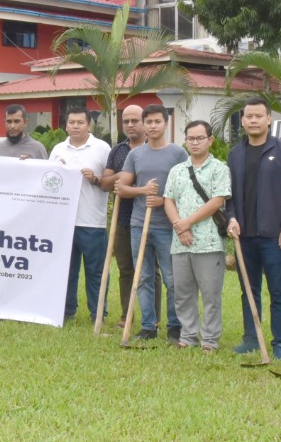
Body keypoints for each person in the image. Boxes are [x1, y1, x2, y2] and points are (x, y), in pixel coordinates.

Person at [224, 97, 281, 361]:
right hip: (244, 236)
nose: (253, 121)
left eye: (259, 116)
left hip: (274, 236)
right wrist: (231, 218)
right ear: (242, 121)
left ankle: (280, 343)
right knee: (249, 289)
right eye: (248, 116)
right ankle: (251, 338)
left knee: (278, 291)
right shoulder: (235, 154)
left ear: (269, 119)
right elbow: (229, 193)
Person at [116, 104, 185, 342]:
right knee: (143, 277)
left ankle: (175, 327)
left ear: (166, 124)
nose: (153, 126)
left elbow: (187, 188)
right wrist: (143, 190)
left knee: (172, 278)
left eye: (157, 122)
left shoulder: (178, 153)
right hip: (139, 225)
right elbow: (121, 188)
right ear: (144, 125)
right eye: (149, 122)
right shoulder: (135, 155)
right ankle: (148, 326)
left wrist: (163, 200)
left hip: (168, 227)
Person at [165, 120, 231, 352]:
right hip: (180, 242)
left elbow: (217, 201)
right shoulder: (177, 171)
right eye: (190, 138)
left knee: (211, 294)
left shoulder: (220, 169)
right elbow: (169, 200)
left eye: (199, 138)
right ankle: (188, 335)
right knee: (182, 293)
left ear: (210, 140)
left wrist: (187, 223)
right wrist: (179, 227)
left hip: (209, 242)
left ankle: (210, 340)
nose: (194, 142)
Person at [48, 107, 111, 322]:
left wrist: (94, 178)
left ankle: (98, 314)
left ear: (89, 125)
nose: (75, 126)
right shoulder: (57, 149)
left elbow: (109, 182)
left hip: (92, 221)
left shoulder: (102, 148)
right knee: (66, 270)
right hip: (63, 222)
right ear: (66, 125)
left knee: (96, 272)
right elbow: (48, 182)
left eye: (80, 122)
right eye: (71, 122)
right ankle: (66, 312)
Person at [103, 104, 157, 326]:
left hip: (150, 217)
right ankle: (128, 315)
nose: (130, 125)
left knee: (149, 271)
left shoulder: (154, 148)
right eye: (126, 121)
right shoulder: (118, 151)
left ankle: (151, 318)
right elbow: (105, 183)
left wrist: (127, 180)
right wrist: (127, 173)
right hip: (122, 219)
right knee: (126, 268)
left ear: (144, 122)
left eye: (135, 120)